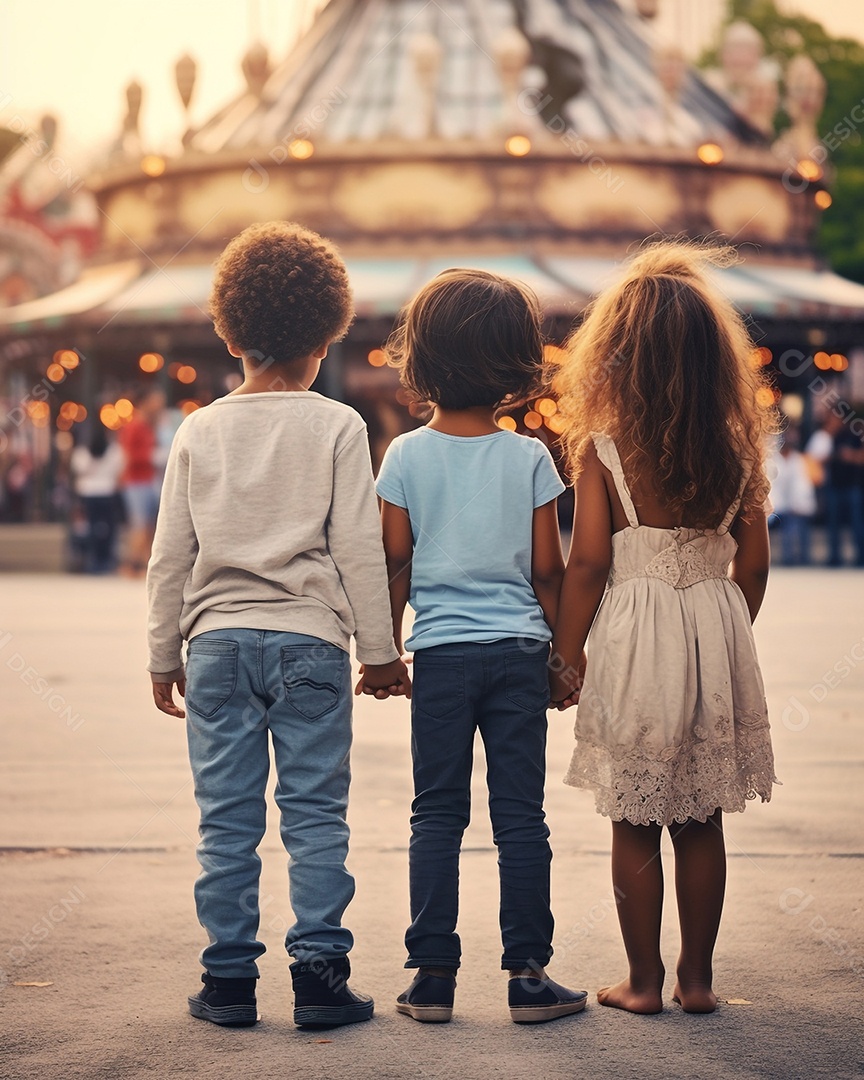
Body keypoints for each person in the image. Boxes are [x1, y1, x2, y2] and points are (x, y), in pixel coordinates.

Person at [146, 222, 409, 1030]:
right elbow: (359, 553)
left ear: (231, 331)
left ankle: (227, 981)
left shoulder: (198, 429)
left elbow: (170, 558)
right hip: (311, 646)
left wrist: (163, 656)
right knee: (315, 814)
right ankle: (320, 977)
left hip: (218, 644)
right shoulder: (336, 427)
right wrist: (381, 652)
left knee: (225, 818)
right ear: (326, 336)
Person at [549, 242, 778, 1016]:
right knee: (701, 816)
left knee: (635, 814)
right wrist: (723, 628)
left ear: (617, 353)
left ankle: (641, 982)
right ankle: (698, 980)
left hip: (635, 638)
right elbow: (753, 565)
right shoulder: (738, 448)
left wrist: (568, 651)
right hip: (712, 627)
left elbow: (584, 566)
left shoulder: (604, 449)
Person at [364, 268, 587, 1025]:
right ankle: (528, 978)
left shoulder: (402, 456)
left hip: (444, 658)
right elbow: (549, 570)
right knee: (522, 817)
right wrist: (565, 658)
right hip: (522, 653)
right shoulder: (528, 458)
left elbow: (394, 563)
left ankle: (431, 977)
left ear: (421, 360)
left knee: (436, 813)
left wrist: (384, 654)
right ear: (517, 367)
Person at [118, 388, 164, 576]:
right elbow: (128, 456)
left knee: (148, 525)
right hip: (136, 481)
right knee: (139, 524)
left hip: (147, 479)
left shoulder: (148, 426)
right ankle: (131, 564)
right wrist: (151, 457)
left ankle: (145, 563)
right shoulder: (134, 426)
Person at [70, 424, 124, 573]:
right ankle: (105, 559)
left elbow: (78, 469)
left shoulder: (82, 453)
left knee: (91, 527)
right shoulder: (114, 451)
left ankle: (92, 560)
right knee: (108, 528)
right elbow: (119, 468)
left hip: (88, 493)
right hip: (107, 491)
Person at [768, 427, 816, 566]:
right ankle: (780, 559)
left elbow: (802, 485)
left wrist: (799, 505)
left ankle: (801, 559)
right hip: (775, 505)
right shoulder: (772, 460)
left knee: (795, 523)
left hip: (794, 505)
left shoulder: (798, 460)